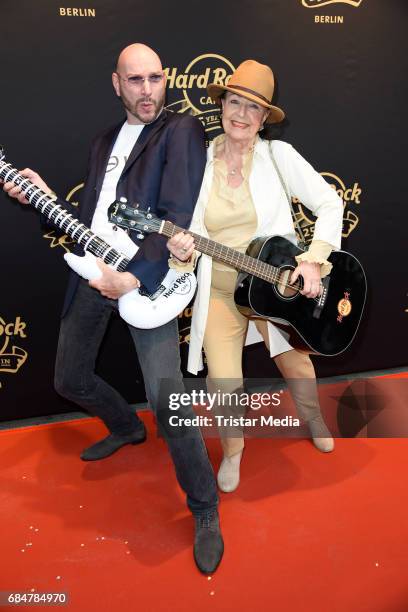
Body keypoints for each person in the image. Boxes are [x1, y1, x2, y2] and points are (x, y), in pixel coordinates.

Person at [1, 43, 223, 574]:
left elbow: (177, 212)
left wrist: (134, 278)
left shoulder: (181, 131)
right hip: (92, 268)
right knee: (69, 377)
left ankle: (205, 508)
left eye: (155, 78)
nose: (148, 90)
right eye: (136, 80)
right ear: (116, 84)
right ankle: (125, 427)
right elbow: (91, 215)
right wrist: (45, 199)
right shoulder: (103, 141)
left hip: (146, 279)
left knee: (169, 402)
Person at [167, 60, 343, 493]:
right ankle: (234, 451)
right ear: (221, 106)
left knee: (295, 362)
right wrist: (181, 254)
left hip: (274, 286)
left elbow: (329, 203)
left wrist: (314, 259)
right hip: (220, 291)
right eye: (234, 102)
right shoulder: (200, 162)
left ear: (265, 118)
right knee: (223, 380)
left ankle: (314, 417)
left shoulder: (278, 156)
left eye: (253, 107)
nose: (241, 114)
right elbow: (189, 233)